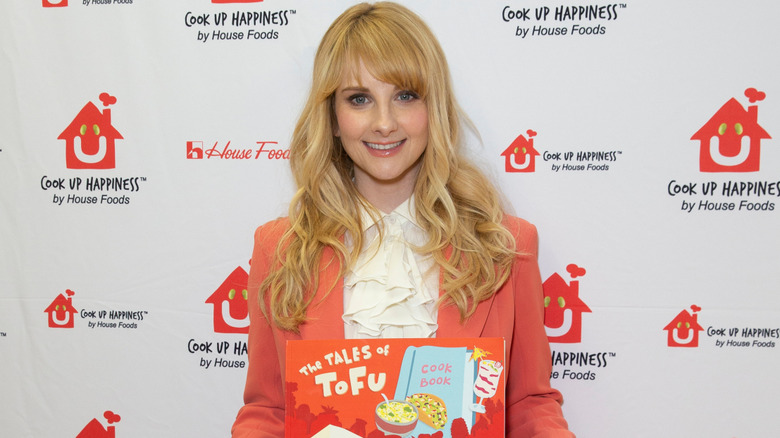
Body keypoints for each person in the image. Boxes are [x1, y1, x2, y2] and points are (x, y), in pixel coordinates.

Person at [231, 2, 574, 437]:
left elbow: (528, 405)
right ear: (333, 118)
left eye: (405, 96)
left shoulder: (507, 244)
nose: (384, 123)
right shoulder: (278, 249)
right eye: (359, 99)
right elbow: (268, 411)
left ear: (434, 108)